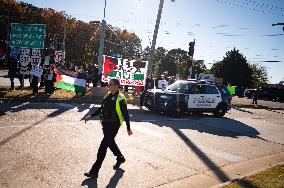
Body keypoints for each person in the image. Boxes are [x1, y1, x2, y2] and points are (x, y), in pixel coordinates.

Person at [84, 78, 133, 178]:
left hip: (114, 125)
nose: (108, 86)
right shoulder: (107, 96)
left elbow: (126, 114)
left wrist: (128, 127)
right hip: (105, 125)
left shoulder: (121, 98)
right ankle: (120, 157)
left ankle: (94, 171)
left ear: (116, 86)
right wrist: (91, 116)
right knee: (110, 142)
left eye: (110, 84)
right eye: (108, 84)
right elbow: (101, 109)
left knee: (102, 147)